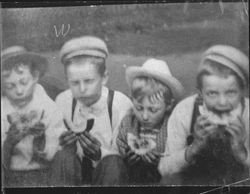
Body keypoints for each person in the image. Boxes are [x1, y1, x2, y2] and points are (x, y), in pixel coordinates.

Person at [159, 45, 250, 185]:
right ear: (200, 93)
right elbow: (164, 168)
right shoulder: (184, 111)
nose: (222, 102)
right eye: (212, 93)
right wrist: (194, 148)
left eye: (231, 92)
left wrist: (241, 152)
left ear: (242, 91)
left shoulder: (248, 113)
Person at [54, 36, 133, 185]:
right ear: (67, 80)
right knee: (62, 157)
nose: (82, 89)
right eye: (75, 82)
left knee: (113, 163)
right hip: (74, 174)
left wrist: (99, 154)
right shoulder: (63, 101)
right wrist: (62, 144)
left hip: (107, 176)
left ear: (104, 77)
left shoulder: (120, 104)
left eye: (89, 81)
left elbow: (123, 157)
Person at [1, 46, 66, 187]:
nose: (19, 91)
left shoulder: (47, 107)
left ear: (35, 76)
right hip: (10, 176)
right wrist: (9, 143)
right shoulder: (2, 109)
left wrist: (42, 143)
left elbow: (56, 144)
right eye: (10, 86)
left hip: (44, 172)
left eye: (24, 83)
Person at [116, 58, 184, 185]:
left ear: (168, 105)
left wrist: (163, 162)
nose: (145, 116)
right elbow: (119, 146)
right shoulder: (127, 123)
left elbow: (180, 158)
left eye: (153, 110)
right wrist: (126, 157)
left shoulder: (174, 127)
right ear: (132, 101)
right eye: (139, 108)